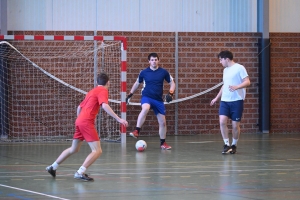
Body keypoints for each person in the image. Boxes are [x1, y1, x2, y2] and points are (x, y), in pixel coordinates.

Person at [46, 73, 128, 181]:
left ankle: (53, 167)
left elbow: (79, 107)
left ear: (96, 82)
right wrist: (119, 119)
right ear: (108, 83)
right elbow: (104, 105)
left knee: (74, 149)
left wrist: (79, 120)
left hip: (79, 120)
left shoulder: (91, 91)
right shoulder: (103, 90)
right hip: (86, 122)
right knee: (97, 151)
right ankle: (80, 172)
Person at [126, 53, 175, 150]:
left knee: (163, 123)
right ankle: (137, 130)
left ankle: (163, 143)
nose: (154, 61)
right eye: (152, 60)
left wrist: (171, 93)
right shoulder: (143, 72)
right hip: (147, 96)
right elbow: (137, 83)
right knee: (145, 109)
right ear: (149, 61)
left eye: (156, 59)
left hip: (158, 99)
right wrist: (130, 94)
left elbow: (172, 83)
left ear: (158, 60)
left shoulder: (164, 72)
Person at [210, 50, 250, 154]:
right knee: (222, 121)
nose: (220, 62)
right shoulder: (225, 70)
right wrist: (216, 98)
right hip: (225, 101)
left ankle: (234, 145)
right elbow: (225, 85)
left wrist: (237, 86)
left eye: (221, 60)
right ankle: (226, 144)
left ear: (226, 59)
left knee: (235, 126)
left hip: (236, 101)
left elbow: (247, 81)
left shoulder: (240, 68)